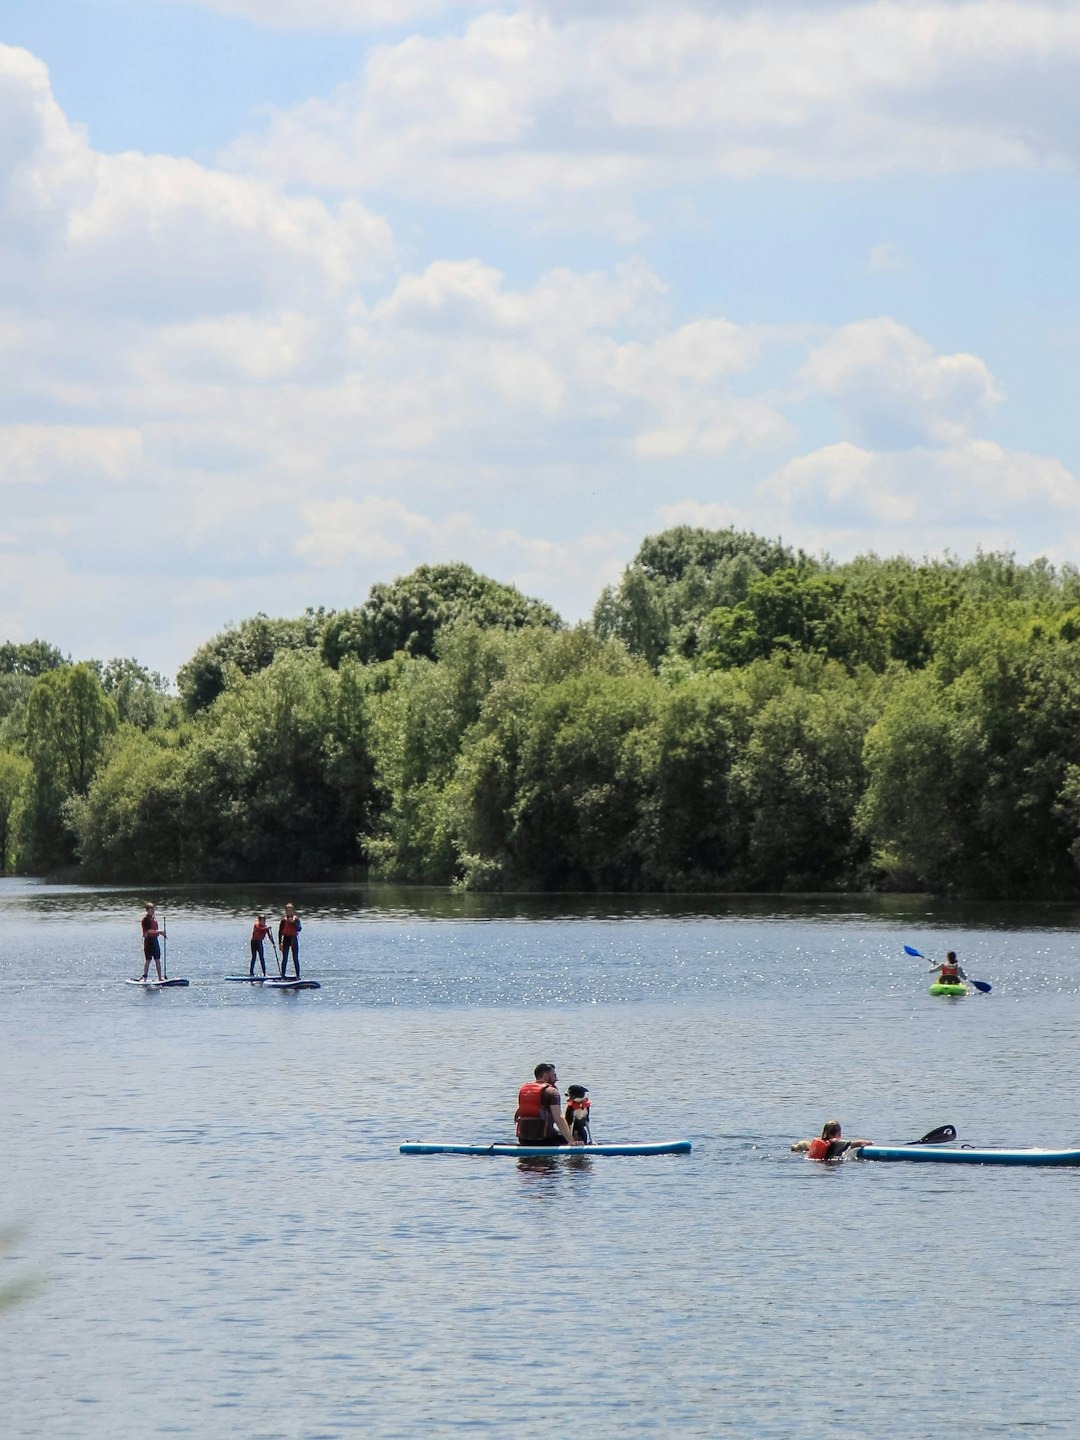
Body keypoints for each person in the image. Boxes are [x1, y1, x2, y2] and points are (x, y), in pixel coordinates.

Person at [515, 1063, 580, 1147]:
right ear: (545, 1076)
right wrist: (572, 1141)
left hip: (523, 1139)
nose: (556, 1079)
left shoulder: (525, 1090)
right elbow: (558, 1118)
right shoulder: (552, 1092)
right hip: (544, 1140)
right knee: (576, 1137)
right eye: (554, 1075)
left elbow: (516, 1117)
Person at [791, 1120, 871, 1160]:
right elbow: (858, 1143)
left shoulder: (818, 1142)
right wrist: (870, 1142)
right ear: (838, 1133)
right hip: (829, 1163)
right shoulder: (837, 1143)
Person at [139, 902, 166, 982]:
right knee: (148, 959)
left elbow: (155, 931)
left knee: (157, 959)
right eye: (151, 910)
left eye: (153, 909)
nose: (153, 911)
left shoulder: (154, 919)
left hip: (155, 940)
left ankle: (160, 977)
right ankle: (144, 977)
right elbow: (149, 931)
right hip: (148, 941)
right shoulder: (146, 920)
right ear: (147, 910)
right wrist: (160, 932)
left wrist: (162, 934)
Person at [278, 903, 302, 978]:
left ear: (293, 911)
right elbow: (280, 932)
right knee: (285, 958)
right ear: (286, 911)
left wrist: (293, 923)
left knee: (295, 958)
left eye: (291, 910)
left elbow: (299, 929)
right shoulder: (283, 920)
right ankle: (283, 975)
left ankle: (298, 975)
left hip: (293, 939)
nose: (289, 911)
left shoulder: (296, 919)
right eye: (288, 910)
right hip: (286, 939)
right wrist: (280, 943)